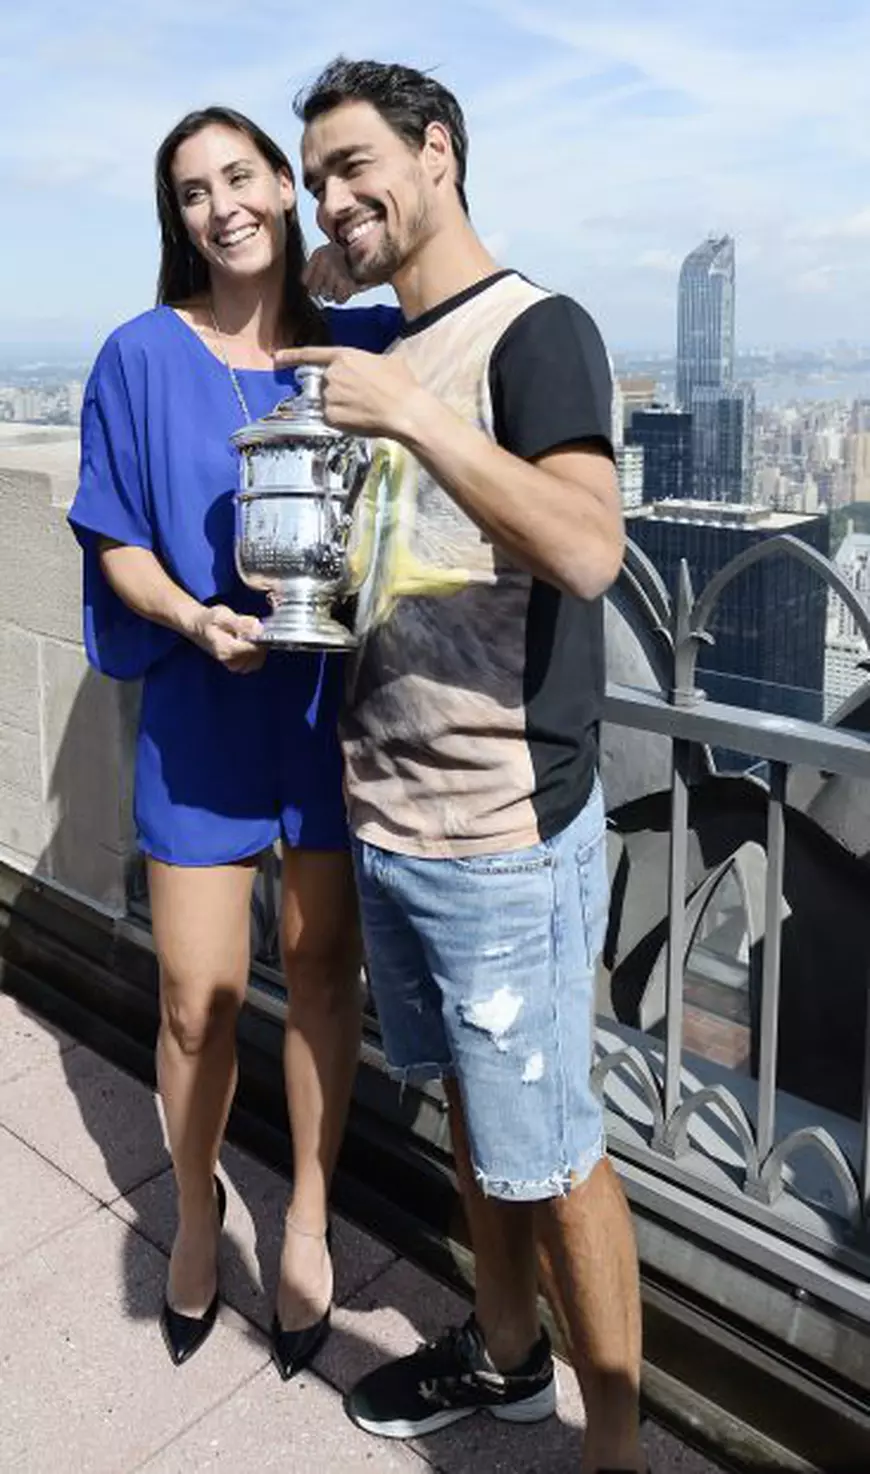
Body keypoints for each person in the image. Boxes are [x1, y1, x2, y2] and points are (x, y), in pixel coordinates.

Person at [281, 59, 645, 1474]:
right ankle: (503, 1360)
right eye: (316, 174)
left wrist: (421, 416)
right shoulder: (394, 332)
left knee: (554, 1155)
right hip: (396, 816)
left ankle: (609, 1441)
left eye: (357, 163)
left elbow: (587, 548)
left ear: (441, 152)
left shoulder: (535, 332)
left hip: (504, 829)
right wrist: (335, 259)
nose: (332, 195)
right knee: (480, 1132)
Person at [68, 105, 400, 1375]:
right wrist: (196, 621)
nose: (223, 206)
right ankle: (199, 1205)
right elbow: (114, 535)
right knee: (198, 1001)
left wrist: (346, 269)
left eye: (243, 176)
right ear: (181, 220)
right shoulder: (140, 353)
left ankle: (308, 1214)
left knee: (322, 981)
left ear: (286, 185)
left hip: (334, 716)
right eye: (195, 192)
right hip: (206, 710)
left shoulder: (362, 342)